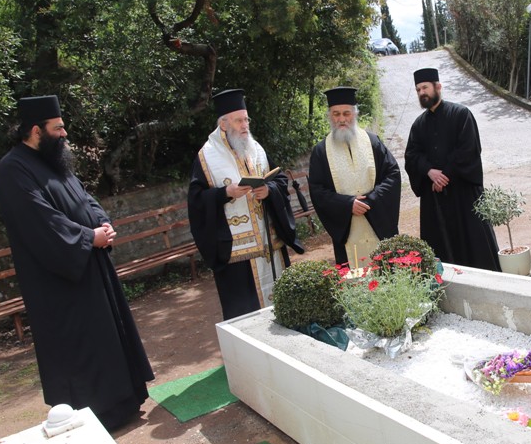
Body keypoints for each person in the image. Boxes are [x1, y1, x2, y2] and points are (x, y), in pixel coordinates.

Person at [0, 95, 154, 431]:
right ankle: (97, 413)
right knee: (82, 348)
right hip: (59, 283)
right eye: (58, 128)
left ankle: (125, 401)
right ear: (36, 130)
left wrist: (102, 222)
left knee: (108, 336)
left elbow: (84, 197)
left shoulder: (53, 160)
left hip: (90, 268)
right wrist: (86, 238)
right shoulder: (13, 169)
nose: (65, 134)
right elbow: (40, 222)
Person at [188, 89, 303, 319]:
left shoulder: (256, 148)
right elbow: (196, 203)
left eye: (246, 119)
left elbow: (279, 180)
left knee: (283, 311)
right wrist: (225, 193)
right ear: (223, 123)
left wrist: (268, 191)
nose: (245, 125)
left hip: (270, 245)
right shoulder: (206, 156)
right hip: (237, 254)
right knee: (248, 318)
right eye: (239, 120)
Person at [404, 67, 501, 271]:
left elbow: (469, 149)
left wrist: (445, 175)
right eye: (418, 89)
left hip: (464, 195)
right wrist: (430, 171)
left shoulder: (461, 114)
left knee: (475, 246)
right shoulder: (418, 125)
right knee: (441, 251)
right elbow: (411, 156)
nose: (422, 93)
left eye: (425, 87)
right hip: (435, 201)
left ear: (438, 87)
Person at [308, 87, 401, 269]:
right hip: (347, 232)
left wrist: (371, 201)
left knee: (386, 275)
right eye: (336, 114)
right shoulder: (320, 152)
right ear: (330, 116)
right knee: (355, 283)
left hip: (378, 227)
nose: (341, 119)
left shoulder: (373, 142)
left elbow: (393, 174)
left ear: (355, 113)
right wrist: (347, 204)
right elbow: (318, 192)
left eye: (346, 113)